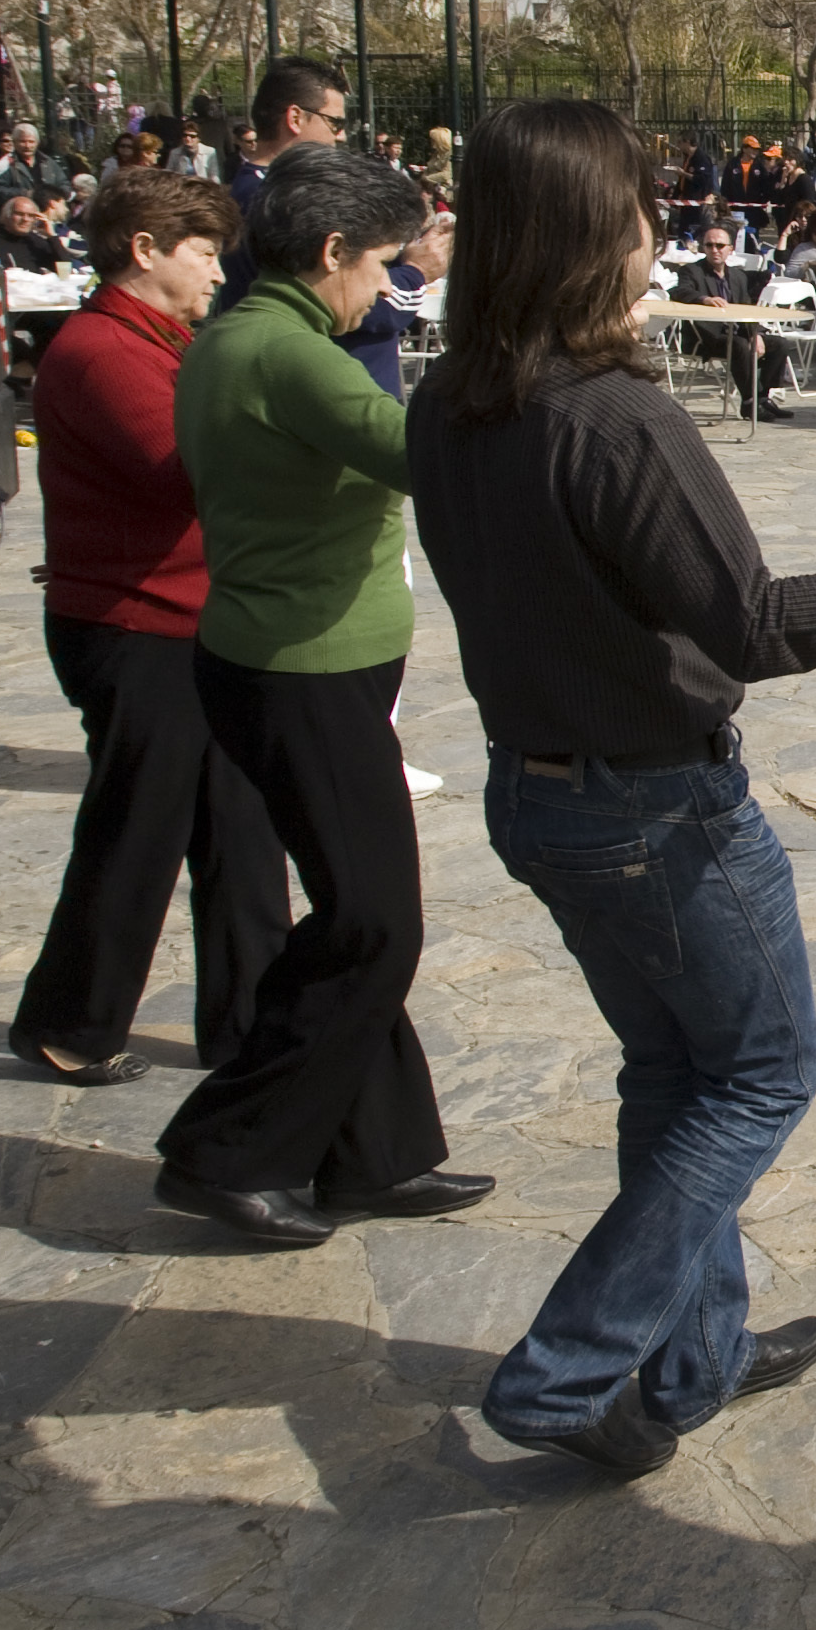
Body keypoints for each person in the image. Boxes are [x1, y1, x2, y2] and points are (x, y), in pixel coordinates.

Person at [406, 100, 816, 1476]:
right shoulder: (615, 420)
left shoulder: (448, 408)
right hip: (653, 812)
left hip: (543, 797)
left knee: (675, 1071)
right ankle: (575, 1363)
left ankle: (690, 1358)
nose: (660, 234)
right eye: (640, 209)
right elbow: (751, 624)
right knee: (763, 1074)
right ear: (592, 236)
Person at [153, 146, 472, 1248]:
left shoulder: (241, 337)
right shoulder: (290, 354)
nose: (387, 288)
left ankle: (372, 1155)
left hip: (287, 660)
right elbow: (432, 455)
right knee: (373, 924)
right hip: (303, 669)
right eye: (381, 263)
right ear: (331, 250)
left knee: (357, 915)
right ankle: (223, 1149)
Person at [8, 169, 288, 1082]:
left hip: (196, 625)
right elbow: (183, 469)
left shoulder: (158, 342)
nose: (217, 273)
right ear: (145, 250)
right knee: (135, 835)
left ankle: (248, 1029)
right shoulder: (101, 350)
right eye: (203, 252)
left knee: (242, 840)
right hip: (138, 632)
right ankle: (70, 1023)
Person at [218, 59, 352, 310]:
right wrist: (414, 272)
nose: (341, 136)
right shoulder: (271, 196)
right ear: (295, 118)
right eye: (335, 123)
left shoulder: (262, 187)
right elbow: (338, 298)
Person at [669, 223, 803, 422]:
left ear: (730, 249)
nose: (714, 250)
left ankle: (763, 398)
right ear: (703, 248)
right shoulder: (692, 271)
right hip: (705, 337)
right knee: (740, 346)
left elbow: (746, 308)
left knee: (779, 343)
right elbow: (679, 292)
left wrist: (756, 334)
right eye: (709, 245)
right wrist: (704, 299)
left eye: (720, 246)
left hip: (737, 332)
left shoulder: (738, 276)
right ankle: (749, 402)